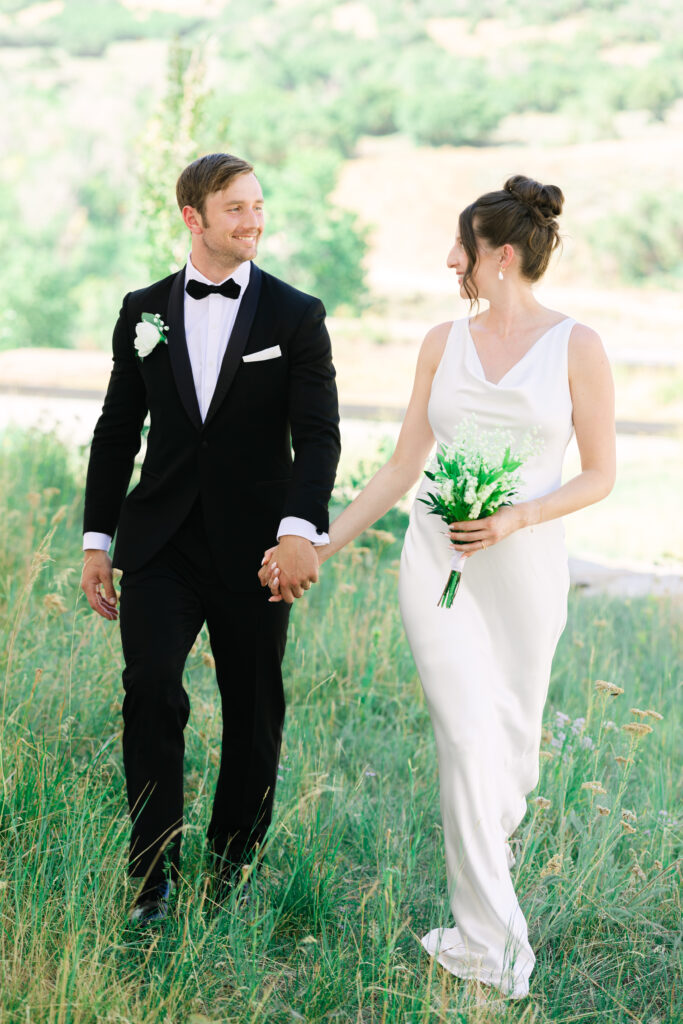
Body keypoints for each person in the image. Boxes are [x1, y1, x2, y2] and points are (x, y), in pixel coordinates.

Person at [261, 175, 615, 999]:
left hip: (522, 566)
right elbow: (397, 469)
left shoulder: (578, 346)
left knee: (508, 755)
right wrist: (319, 544)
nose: (448, 260)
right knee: (462, 737)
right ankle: (489, 947)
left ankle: (485, 890)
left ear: (499, 255)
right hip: (436, 563)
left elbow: (598, 475)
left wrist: (516, 518)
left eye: (461, 246)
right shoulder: (438, 343)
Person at [81, 153, 340, 923]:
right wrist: (99, 539)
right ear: (193, 218)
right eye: (236, 209)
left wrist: (299, 532)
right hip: (160, 542)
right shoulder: (142, 309)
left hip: (257, 548)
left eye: (258, 205)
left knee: (253, 705)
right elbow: (116, 429)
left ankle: (231, 866)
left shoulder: (296, 314)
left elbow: (319, 435)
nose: (254, 220)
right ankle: (151, 876)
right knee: (150, 690)